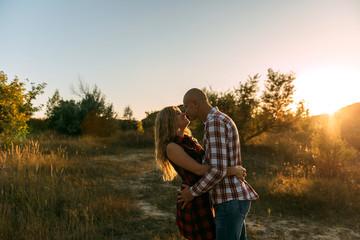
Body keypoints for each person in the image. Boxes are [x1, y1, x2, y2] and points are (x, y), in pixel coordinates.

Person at [154, 106, 247, 240]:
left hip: (201, 193)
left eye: (181, 111)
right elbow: (199, 169)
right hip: (194, 201)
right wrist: (232, 170)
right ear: (169, 121)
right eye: (177, 113)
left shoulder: (188, 140)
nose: (183, 113)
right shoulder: (171, 147)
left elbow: (208, 163)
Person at [179, 88, 259, 240]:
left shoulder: (214, 122)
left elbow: (217, 170)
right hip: (231, 200)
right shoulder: (218, 119)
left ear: (196, 103)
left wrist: (192, 192)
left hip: (228, 201)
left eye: (185, 106)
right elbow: (218, 166)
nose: (185, 111)